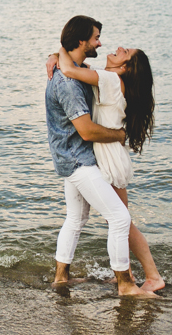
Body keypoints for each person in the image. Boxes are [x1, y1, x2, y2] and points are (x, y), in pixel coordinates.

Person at [44, 15, 156, 296]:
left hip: (77, 157)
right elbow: (86, 131)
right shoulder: (71, 81)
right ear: (81, 41)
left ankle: (61, 278)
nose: (101, 42)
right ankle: (126, 285)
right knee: (119, 218)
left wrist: (58, 54)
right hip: (79, 159)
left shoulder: (88, 73)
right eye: (95, 37)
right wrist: (119, 136)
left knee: (76, 219)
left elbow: (72, 66)